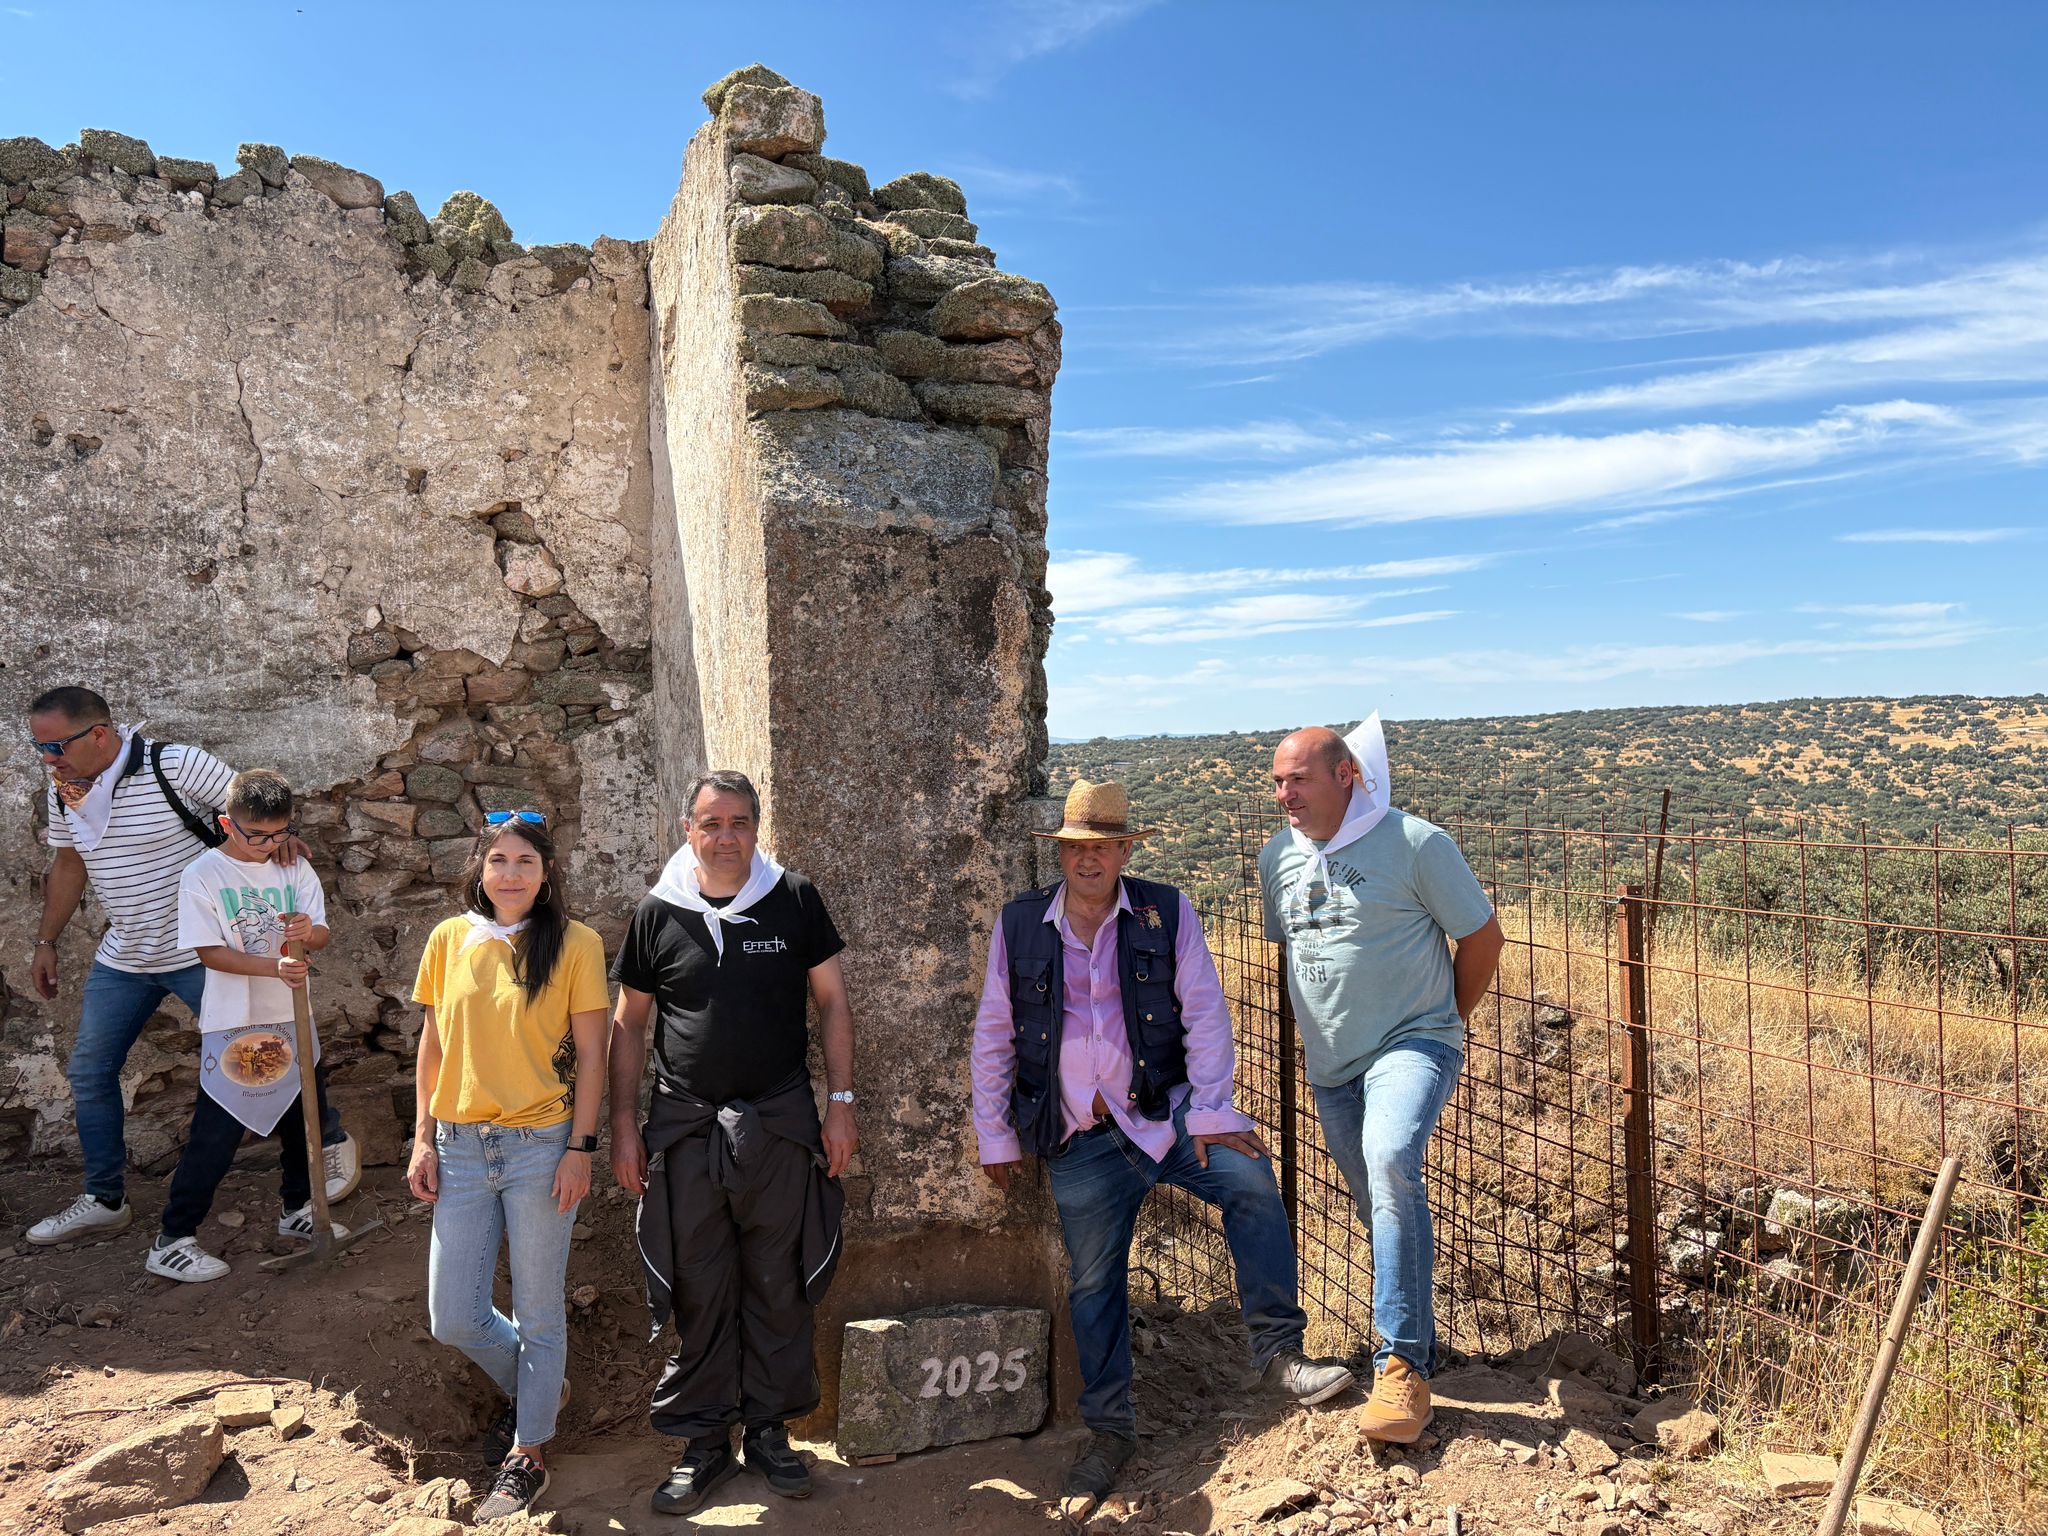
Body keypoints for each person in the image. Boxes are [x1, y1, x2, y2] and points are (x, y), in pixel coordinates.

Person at [973, 778, 1354, 1514]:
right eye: (1079, 847)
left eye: (1106, 846)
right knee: (1093, 1284)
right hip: (1078, 1135)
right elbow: (995, 1028)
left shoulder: (1164, 910)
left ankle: (1278, 1354)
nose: (1092, 859)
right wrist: (995, 1133)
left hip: (1164, 1116)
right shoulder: (1021, 923)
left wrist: (1212, 1112)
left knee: (1248, 1178)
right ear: (1064, 853)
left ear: (1124, 851)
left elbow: (1204, 1009)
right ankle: (1111, 1432)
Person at [25, 687, 358, 1246]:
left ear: (99, 735)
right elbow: (68, 863)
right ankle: (105, 1198)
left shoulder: (173, 764)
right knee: (89, 1071)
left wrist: (282, 848)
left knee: (268, 1058)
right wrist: (46, 939)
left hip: (208, 956)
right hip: (126, 956)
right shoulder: (66, 790)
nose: (47, 757)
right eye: (41, 747)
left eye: (55, 745)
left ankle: (322, 1152)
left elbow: (253, 814)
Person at [609, 769, 856, 1517]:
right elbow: (629, 1025)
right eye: (711, 823)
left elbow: (834, 1002)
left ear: (757, 828)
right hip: (685, 1128)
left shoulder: (795, 899)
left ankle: (772, 1433)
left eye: (739, 823)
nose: (725, 837)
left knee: (776, 1281)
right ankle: (704, 1442)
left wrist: (840, 1105)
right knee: (699, 1284)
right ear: (688, 828)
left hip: (779, 1123)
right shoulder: (658, 913)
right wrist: (624, 1123)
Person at [1260, 716, 1504, 1444]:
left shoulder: (1416, 843)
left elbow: (1483, 937)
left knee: (1393, 1161)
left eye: (1297, 779)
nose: (1284, 795)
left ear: (1346, 776)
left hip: (1411, 1043)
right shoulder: (1279, 855)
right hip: (1332, 1067)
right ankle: (1417, 1337)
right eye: (1276, 781)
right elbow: (1302, 949)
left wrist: (1440, 1023)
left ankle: (1400, 1369)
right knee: (1380, 1202)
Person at [407, 812, 611, 1523]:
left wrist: (582, 1150)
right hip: (460, 1149)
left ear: (546, 872)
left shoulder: (577, 945)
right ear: (479, 868)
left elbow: (594, 1056)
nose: (512, 873)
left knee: (539, 1306)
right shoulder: (446, 939)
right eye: (499, 860)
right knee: (452, 1315)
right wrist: (422, 1138)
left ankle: (529, 1455)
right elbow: (431, 1049)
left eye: (525, 860)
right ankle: (540, 1388)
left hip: (541, 1148)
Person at [146, 770, 351, 1281]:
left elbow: (320, 932)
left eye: (278, 834)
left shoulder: (293, 868)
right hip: (236, 1022)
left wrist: (310, 933)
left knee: (302, 1120)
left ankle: (298, 1210)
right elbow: (208, 952)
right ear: (226, 824)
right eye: (255, 835)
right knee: (216, 1133)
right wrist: (273, 968)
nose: (267, 845)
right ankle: (174, 1236)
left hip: (293, 1018)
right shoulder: (203, 875)